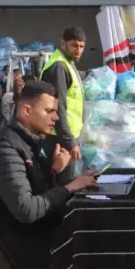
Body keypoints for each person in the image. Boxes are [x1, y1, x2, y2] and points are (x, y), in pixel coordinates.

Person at [0, 81, 98, 269]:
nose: (56, 117)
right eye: (49, 111)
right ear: (27, 110)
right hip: (21, 244)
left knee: (95, 223)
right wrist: (70, 187)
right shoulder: (5, 149)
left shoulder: (27, 141)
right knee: (94, 239)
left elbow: (36, 191)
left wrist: (55, 170)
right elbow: (27, 210)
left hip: (31, 233)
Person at [39, 27, 87, 178]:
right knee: (63, 185)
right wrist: (69, 141)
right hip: (59, 139)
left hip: (65, 136)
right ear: (63, 43)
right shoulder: (58, 67)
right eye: (74, 45)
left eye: (81, 46)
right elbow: (58, 107)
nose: (78, 50)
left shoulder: (67, 64)